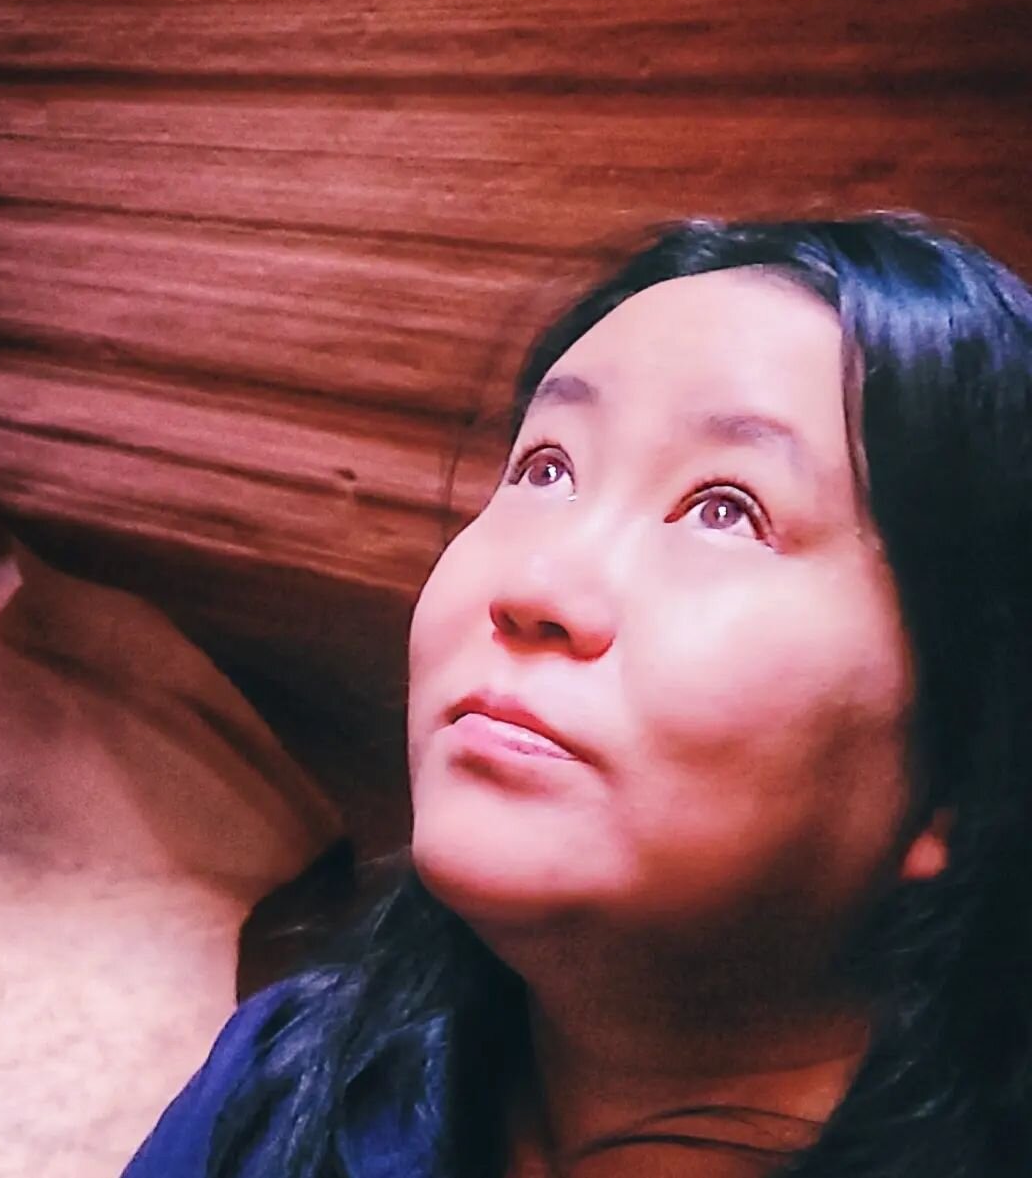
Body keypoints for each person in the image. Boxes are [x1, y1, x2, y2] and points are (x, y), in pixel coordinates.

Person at [121, 215, 1032, 1177]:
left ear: (966, 760)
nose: (535, 586)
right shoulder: (290, 1076)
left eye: (727, 507)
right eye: (545, 466)